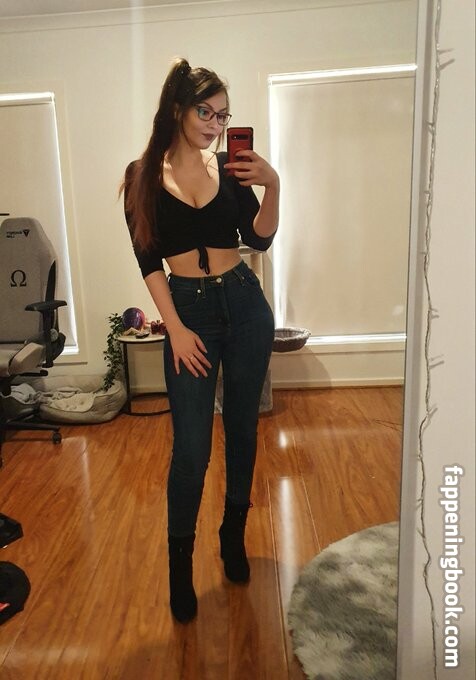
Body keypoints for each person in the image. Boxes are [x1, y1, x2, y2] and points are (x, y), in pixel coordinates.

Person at [122, 57, 279, 623]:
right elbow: (148, 261)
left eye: (223, 115)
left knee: (242, 429)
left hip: (244, 304)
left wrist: (273, 185)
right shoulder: (142, 176)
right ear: (177, 110)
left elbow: (259, 239)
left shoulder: (231, 170)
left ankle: (232, 536)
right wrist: (177, 328)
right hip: (187, 311)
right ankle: (179, 566)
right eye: (205, 112)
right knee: (190, 449)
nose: (215, 124)